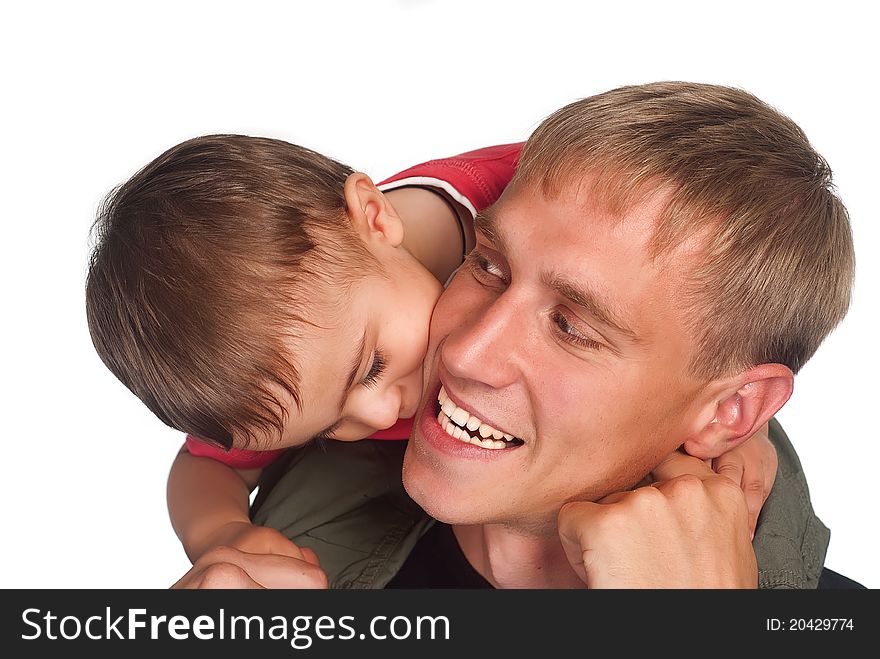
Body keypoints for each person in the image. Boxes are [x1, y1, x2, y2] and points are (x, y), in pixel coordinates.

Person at [176, 81, 859, 589]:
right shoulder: (284, 557)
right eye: (488, 264)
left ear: (730, 411)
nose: (463, 350)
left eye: (570, 324)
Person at [86, 132, 778, 567]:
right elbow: (205, 468)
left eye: (372, 365)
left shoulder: (520, 187)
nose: (387, 407)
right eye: (330, 422)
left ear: (376, 216)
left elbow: (685, 301)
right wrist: (220, 536)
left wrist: (725, 430)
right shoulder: (290, 351)